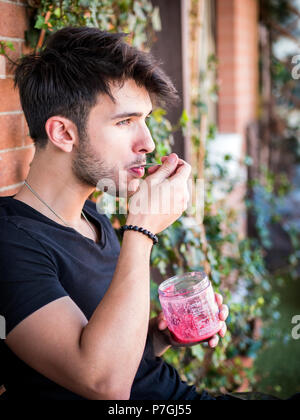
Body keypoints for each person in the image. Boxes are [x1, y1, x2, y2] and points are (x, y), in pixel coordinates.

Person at [0, 26, 229, 400]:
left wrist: (158, 337)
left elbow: (118, 356)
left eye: (146, 120)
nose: (149, 143)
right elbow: (105, 384)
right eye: (125, 122)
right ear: (63, 133)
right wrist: (141, 231)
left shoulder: (94, 220)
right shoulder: (9, 240)